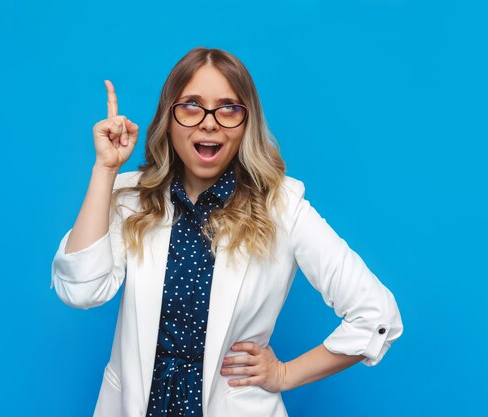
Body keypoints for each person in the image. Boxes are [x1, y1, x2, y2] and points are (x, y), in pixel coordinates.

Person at [51, 47, 403, 417]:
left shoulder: (282, 207)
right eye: (191, 105)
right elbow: (80, 290)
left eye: (228, 108)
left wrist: (284, 374)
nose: (209, 122)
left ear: (246, 122)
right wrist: (105, 170)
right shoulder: (131, 198)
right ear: (168, 119)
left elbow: (377, 316)